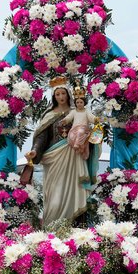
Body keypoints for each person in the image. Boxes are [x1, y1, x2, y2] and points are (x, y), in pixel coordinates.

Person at [24, 76, 99, 227]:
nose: (61, 97)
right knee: (55, 199)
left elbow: (86, 129)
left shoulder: (77, 112)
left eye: (63, 93)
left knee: (76, 194)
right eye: (57, 94)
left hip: (75, 157)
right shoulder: (49, 115)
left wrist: (90, 137)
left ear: (68, 94)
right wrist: (34, 151)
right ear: (54, 96)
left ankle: (76, 230)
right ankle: (52, 229)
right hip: (54, 160)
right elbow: (42, 137)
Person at [60, 84, 96, 160]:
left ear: (84, 103)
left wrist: (95, 119)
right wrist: (65, 120)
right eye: (77, 102)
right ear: (75, 103)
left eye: (81, 102)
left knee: (80, 131)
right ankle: (80, 148)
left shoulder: (86, 111)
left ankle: (78, 145)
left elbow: (90, 117)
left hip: (84, 129)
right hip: (74, 129)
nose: (79, 104)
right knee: (71, 136)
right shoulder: (74, 111)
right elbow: (69, 117)